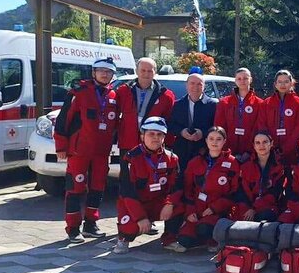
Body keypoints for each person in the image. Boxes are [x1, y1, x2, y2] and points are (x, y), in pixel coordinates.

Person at [54, 57, 120, 243]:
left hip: (101, 151)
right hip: (79, 151)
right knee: (75, 187)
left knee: (98, 186)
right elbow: (64, 119)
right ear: (93, 73)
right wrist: (61, 146)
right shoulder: (79, 92)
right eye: (101, 71)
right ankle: (73, 228)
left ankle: (90, 224)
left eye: (108, 72)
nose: (105, 74)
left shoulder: (114, 96)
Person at [113, 117, 180, 254]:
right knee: (130, 226)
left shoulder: (172, 158)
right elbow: (127, 192)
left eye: (159, 134)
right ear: (142, 136)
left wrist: (170, 204)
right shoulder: (130, 158)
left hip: (158, 203)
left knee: (180, 207)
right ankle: (123, 239)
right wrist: (140, 217)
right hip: (135, 203)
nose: (155, 138)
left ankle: (169, 239)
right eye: (151, 134)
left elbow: (176, 187)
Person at [168, 127, 240, 253]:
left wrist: (214, 208)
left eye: (218, 139)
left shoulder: (232, 162)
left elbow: (234, 192)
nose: (214, 142)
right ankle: (202, 240)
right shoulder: (195, 162)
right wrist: (190, 211)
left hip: (218, 211)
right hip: (197, 209)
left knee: (204, 228)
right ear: (206, 140)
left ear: (224, 141)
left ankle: (214, 239)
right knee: (184, 240)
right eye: (211, 139)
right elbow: (188, 188)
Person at [115, 57, 175, 152]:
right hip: (127, 143)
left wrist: (167, 145)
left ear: (155, 72)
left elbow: (169, 122)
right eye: (143, 70)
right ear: (136, 71)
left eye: (150, 71)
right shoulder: (123, 91)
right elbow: (114, 116)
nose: (146, 74)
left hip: (153, 146)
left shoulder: (166, 96)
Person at [257, 70, 299, 167]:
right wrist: (270, 146)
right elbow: (262, 126)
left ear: (292, 83)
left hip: (293, 152)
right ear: (275, 84)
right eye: (280, 82)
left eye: (286, 81)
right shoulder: (266, 103)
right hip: (270, 151)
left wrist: (287, 147)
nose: (283, 85)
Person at [168, 73, 218, 171]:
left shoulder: (213, 105)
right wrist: (181, 132)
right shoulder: (177, 105)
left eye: (199, 84)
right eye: (192, 83)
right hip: (181, 151)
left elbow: (217, 127)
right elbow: (170, 125)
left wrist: (202, 133)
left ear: (204, 86)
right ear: (186, 85)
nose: (195, 87)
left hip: (204, 151)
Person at [235, 131, 287, 222]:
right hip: (247, 207)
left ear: (271, 144)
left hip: (268, 207)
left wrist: (255, 208)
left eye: (265, 142)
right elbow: (242, 191)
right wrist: (248, 209)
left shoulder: (280, 166)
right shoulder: (246, 166)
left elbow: (276, 192)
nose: (261, 145)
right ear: (254, 146)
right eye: (258, 143)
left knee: (267, 216)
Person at [214, 67, 262, 162]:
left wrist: (249, 151)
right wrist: (226, 150)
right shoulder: (224, 102)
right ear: (235, 81)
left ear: (250, 79)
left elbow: (258, 128)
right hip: (227, 151)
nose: (242, 81)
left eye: (245, 78)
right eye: (239, 78)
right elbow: (219, 128)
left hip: (250, 152)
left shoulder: (259, 103)